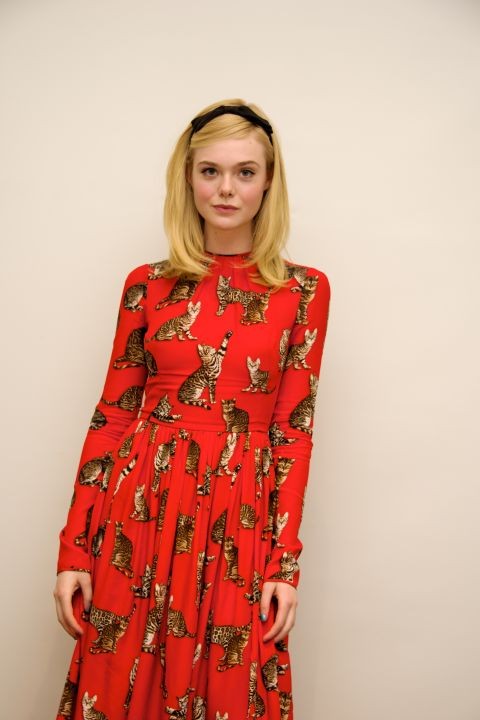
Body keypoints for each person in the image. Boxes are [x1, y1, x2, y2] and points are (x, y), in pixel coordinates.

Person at [53, 98, 331, 720]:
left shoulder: (303, 290)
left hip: (239, 521)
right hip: (140, 512)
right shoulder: (146, 284)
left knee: (232, 688)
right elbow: (112, 417)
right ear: (188, 178)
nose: (226, 188)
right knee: (121, 684)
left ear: (269, 182)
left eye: (244, 172)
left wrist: (284, 564)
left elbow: (293, 432)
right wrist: (75, 549)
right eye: (210, 171)